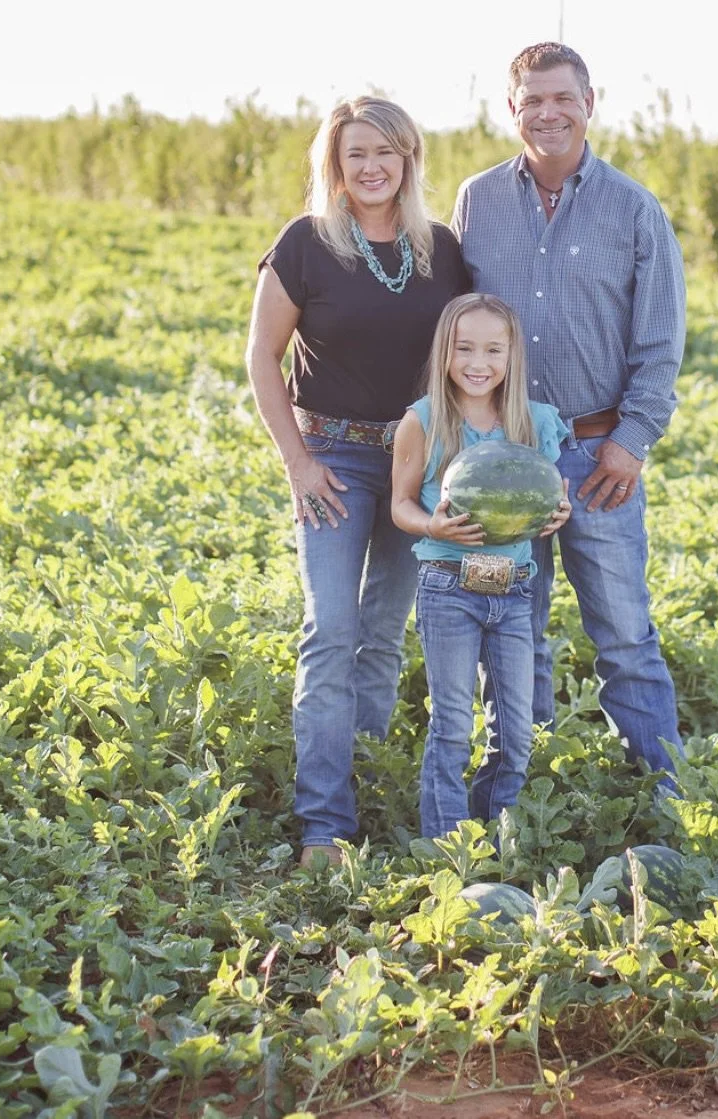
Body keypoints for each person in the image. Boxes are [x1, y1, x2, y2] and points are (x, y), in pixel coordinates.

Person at [451, 42, 687, 789]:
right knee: (505, 622)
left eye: (563, 98)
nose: (548, 113)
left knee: (623, 630)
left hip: (596, 459)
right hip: (499, 453)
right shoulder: (476, 200)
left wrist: (631, 441)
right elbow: (457, 326)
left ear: (592, 102)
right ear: (511, 109)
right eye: (533, 101)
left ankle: (668, 791)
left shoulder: (634, 208)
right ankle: (518, 787)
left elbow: (660, 340)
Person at [246, 96, 470, 868]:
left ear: (407, 159)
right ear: (334, 169)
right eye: (355, 155)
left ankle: (366, 780)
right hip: (333, 461)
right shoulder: (306, 244)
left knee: (383, 632)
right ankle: (323, 825)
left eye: (386, 152)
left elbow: (471, 353)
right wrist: (297, 462)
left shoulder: (442, 248)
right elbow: (260, 359)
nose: (372, 167)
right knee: (331, 629)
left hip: (416, 461)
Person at [391, 295, 571, 838]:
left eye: (494, 349)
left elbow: (546, 500)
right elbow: (400, 506)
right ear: (444, 352)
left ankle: (496, 834)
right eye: (465, 347)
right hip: (448, 587)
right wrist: (433, 527)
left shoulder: (535, 425)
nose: (479, 362)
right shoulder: (422, 421)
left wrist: (555, 513)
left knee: (516, 731)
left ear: (513, 356)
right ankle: (448, 846)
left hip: (513, 589)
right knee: (450, 727)